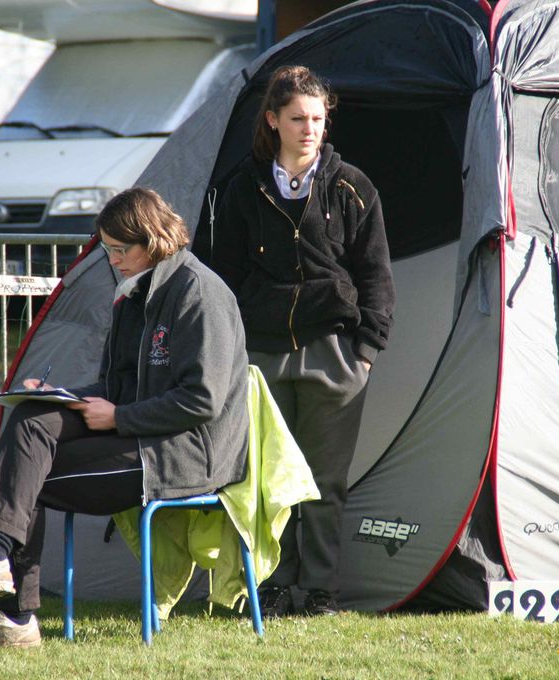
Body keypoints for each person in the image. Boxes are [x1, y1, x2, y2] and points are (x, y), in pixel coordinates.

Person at [0, 187, 250, 647]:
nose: (112, 260)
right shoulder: (134, 292)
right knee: (31, 419)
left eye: (120, 249)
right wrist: (60, 397)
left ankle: (13, 613)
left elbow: (202, 401)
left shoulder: (200, 292)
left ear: (154, 239)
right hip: (141, 433)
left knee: (25, 479)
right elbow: (115, 389)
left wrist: (118, 418)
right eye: (107, 249)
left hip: (187, 454)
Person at [209, 65, 395, 617]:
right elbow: (225, 276)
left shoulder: (353, 187)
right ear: (273, 120)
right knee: (268, 478)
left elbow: (376, 276)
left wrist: (365, 353)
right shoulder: (241, 187)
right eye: (297, 118)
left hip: (335, 355)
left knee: (322, 483)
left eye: (317, 117)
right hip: (261, 355)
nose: (310, 128)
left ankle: (319, 591)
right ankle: (269, 585)